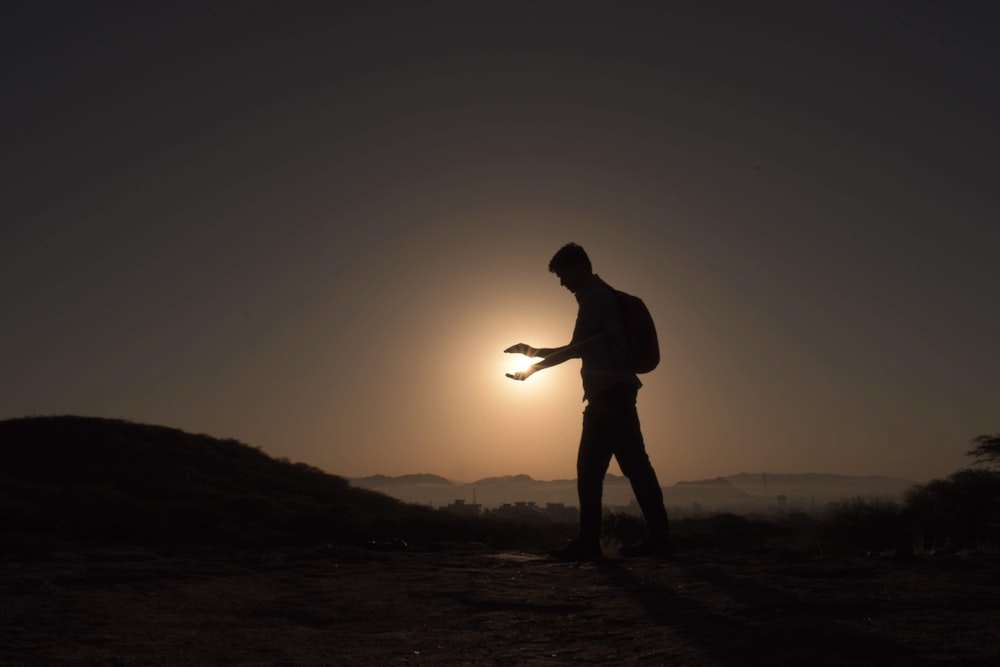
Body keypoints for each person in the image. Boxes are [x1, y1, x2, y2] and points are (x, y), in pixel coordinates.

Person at [505, 243, 674, 562]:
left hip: (608, 395)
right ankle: (657, 537)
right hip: (618, 391)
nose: (562, 283)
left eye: (563, 274)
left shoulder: (595, 298)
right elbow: (581, 346)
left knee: (591, 470)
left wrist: (532, 368)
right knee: (635, 467)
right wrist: (533, 353)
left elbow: (576, 349)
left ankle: (590, 543)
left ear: (579, 268)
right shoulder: (600, 296)